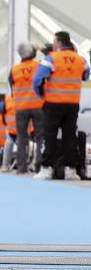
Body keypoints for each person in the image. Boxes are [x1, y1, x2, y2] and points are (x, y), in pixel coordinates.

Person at [33, 31, 89, 181]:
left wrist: (42, 96)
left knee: (49, 135)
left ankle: (46, 168)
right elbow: (85, 76)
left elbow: (37, 80)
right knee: (70, 136)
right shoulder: (81, 60)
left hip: (53, 103)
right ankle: (70, 170)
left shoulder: (51, 58)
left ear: (58, 43)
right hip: (72, 104)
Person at [9, 41, 44, 174]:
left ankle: (21, 167)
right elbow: (53, 56)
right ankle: (39, 166)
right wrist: (39, 47)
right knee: (40, 137)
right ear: (32, 52)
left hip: (21, 107)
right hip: (38, 105)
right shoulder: (39, 65)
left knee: (21, 138)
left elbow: (12, 85)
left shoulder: (14, 69)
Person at [0, 93, 17, 171]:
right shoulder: (8, 100)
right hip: (19, 129)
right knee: (20, 145)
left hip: (12, 128)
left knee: (8, 144)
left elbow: (3, 116)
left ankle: (5, 165)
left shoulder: (7, 100)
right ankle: (22, 165)